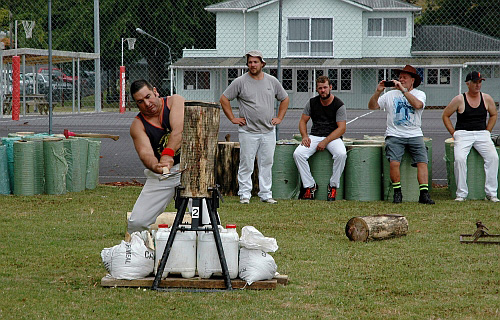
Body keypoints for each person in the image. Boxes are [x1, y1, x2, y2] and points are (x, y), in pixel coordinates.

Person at [220, 50, 289, 204]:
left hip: (268, 131)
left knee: (267, 162)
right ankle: (245, 194)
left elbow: (284, 98)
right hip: (248, 131)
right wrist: (232, 118)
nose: (252, 65)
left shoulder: (272, 81)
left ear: (262, 64)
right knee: (246, 163)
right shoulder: (240, 82)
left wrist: (279, 117)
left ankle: (266, 194)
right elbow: (224, 99)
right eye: (250, 62)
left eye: (255, 62)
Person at [368, 65, 434, 204]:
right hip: (394, 134)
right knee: (394, 162)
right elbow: (372, 106)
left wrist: (403, 91)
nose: (401, 80)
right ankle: (397, 193)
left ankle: (424, 194)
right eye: (400, 77)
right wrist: (377, 92)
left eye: (405, 78)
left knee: (422, 162)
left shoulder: (419, 94)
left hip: (415, 134)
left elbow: (417, 105)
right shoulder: (390, 95)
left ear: (412, 80)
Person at [127, 79, 185, 233]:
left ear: (155, 91)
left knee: (207, 220)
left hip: (189, 169)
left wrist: (167, 154)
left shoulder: (175, 101)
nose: (146, 104)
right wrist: (155, 166)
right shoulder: (137, 125)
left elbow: (178, 130)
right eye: (140, 101)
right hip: (162, 174)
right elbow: (145, 153)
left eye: (148, 97)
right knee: (137, 223)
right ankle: (142, 252)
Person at [442, 71, 499, 202]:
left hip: (482, 133)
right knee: (460, 159)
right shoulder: (459, 99)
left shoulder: (486, 98)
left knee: (493, 158)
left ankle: (491, 193)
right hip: (463, 133)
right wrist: (454, 133)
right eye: (475, 82)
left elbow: (494, 114)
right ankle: (461, 194)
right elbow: (445, 115)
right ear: (468, 84)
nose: (478, 85)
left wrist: (487, 131)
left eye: (479, 82)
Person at [293, 76, 347, 201]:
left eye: (325, 87)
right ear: (317, 89)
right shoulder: (312, 103)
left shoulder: (339, 104)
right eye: (320, 88)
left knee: (341, 154)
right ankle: (310, 186)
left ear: (330, 87)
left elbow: (341, 128)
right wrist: (305, 136)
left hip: (333, 137)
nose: (323, 90)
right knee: (298, 154)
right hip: (315, 135)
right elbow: (302, 121)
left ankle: (333, 186)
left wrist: (325, 141)